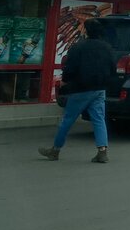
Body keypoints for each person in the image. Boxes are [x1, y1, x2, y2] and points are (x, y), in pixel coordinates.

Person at [38, 17, 116, 163]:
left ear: (86, 32)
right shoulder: (107, 48)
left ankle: (55, 150)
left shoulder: (79, 47)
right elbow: (112, 69)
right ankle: (102, 152)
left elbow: (70, 68)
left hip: (80, 89)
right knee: (99, 119)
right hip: (99, 89)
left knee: (67, 119)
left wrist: (64, 81)